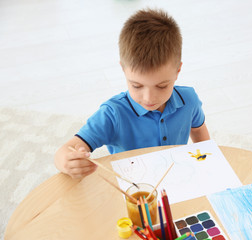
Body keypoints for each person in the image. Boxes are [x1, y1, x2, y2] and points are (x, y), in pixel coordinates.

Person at [54, 9, 210, 179]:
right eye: (136, 86)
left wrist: (208, 160)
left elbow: (199, 130)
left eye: (162, 86)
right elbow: (65, 151)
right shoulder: (112, 113)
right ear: (123, 69)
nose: (149, 98)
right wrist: (66, 161)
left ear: (178, 70)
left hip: (178, 178)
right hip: (134, 189)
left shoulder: (189, 100)